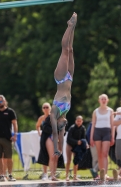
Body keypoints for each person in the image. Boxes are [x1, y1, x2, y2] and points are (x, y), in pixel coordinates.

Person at [50, 12, 77, 156]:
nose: (64, 125)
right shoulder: (65, 113)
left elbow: (56, 133)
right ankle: (73, 28)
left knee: (65, 51)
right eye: (64, 126)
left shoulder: (54, 112)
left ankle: (69, 25)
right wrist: (61, 149)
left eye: (62, 125)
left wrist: (55, 148)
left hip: (60, 78)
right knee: (70, 50)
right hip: (70, 78)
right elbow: (61, 134)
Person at [0, 94, 18, 182]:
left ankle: (10, 175)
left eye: (0, 101)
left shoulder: (10, 112)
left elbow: (15, 124)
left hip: (7, 138)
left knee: (9, 157)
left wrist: (15, 134)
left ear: (4, 101)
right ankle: (1, 175)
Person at [90, 94, 114, 181]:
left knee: (105, 153)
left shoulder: (110, 111)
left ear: (107, 100)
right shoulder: (95, 111)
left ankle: (106, 173)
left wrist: (112, 136)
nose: (103, 100)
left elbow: (112, 125)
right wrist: (91, 137)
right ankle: (101, 174)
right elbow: (93, 125)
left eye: (105, 99)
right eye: (102, 99)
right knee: (99, 154)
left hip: (107, 132)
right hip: (97, 132)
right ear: (99, 101)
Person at [37, 115, 64, 181]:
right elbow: (45, 127)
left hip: (57, 138)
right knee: (52, 156)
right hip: (49, 136)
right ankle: (52, 175)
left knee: (56, 157)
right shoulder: (49, 117)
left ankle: (53, 175)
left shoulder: (62, 118)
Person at [66, 115, 86, 181]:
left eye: (80, 121)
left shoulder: (83, 128)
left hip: (77, 146)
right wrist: (76, 141)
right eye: (78, 121)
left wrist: (85, 144)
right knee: (68, 160)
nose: (79, 122)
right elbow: (69, 138)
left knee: (76, 161)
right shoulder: (72, 128)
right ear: (75, 121)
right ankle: (67, 176)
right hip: (70, 144)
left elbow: (83, 138)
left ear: (82, 121)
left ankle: (75, 176)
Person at [36, 102, 51, 181]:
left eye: (47, 107)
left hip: (51, 136)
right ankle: (45, 173)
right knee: (44, 154)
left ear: (50, 108)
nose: (45, 109)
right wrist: (39, 132)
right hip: (44, 137)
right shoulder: (41, 118)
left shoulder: (52, 116)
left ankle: (52, 173)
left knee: (52, 155)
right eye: (44, 107)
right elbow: (37, 125)